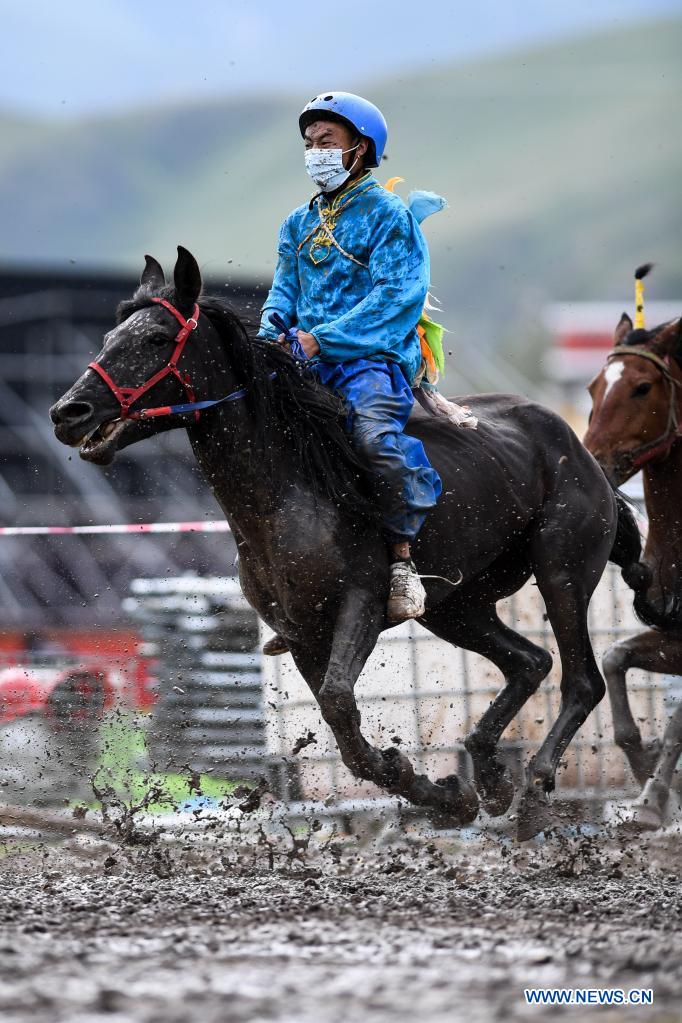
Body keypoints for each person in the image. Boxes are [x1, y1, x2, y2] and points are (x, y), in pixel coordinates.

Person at [258, 91, 442, 639]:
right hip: (302, 361)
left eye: (326, 141)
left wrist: (321, 339)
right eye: (309, 143)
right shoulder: (296, 222)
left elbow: (397, 296)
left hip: (370, 361)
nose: (314, 152)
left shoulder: (388, 216)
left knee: (373, 442)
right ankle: (290, 582)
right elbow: (283, 292)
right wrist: (269, 337)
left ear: (360, 148)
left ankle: (403, 562)